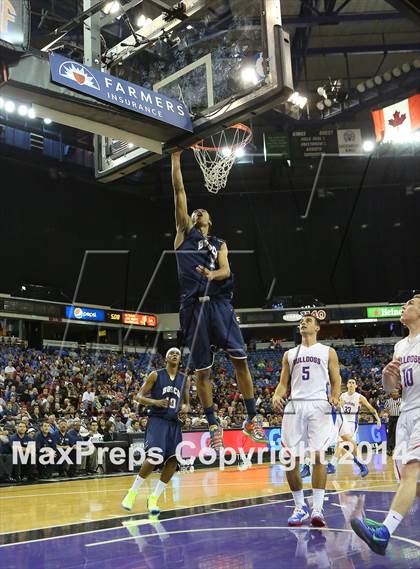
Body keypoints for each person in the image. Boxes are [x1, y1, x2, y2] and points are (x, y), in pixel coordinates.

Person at [170, 151, 266, 449]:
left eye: (203, 212)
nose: (198, 211)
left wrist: (214, 276)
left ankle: (252, 417)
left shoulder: (219, 243)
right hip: (192, 307)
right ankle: (213, 424)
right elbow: (179, 191)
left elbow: (226, 269)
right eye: (194, 211)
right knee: (202, 371)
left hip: (219, 304)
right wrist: (175, 158)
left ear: (210, 221)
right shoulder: (182, 235)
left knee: (240, 361)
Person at [351, 295, 420, 555]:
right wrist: (385, 377)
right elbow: (393, 391)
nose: (404, 307)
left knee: (412, 471)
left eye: (411, 304)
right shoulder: (401, 346)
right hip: (406, 414)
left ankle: (384, 533)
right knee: (410, 481)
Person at [272, 315, 340, 527]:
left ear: (317, 328)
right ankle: (300, 507)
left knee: (319, 456)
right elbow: (284, 383)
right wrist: (277, 394)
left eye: (308, 320)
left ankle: (317, 509)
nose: (303, 322)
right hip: (295, 404)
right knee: (291, 458)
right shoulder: (289, 354)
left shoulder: (328, 351)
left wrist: (335, 396)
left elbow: (336, 380)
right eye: (301, 321)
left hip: (319, 403)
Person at [121, 347, 190, 515]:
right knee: (154, 457)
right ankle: (132, 492)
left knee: (173, 462)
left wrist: (185, 408)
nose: (174, 355)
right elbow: (138, 397)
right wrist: (155, 402)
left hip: (174, 423)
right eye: (171, 353)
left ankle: (154, 498)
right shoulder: (156, 375)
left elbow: (187, 402)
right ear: (166, 359)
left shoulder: (185, 379)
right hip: (158, 421)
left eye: (177, 354)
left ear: (180, 359)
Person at [301, 378, 380, 478]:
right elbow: (339, 407)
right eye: (349, 383)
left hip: (352, 422)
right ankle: (360, 464)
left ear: (356, 386)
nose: (351, 384)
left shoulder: (359, 397)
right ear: (346, 385)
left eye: (353, 383)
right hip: (341, 420)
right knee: (340, 448)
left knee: (341, 444)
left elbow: (371, 408)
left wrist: (378, 419)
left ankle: (333, 465)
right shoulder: (343, 396)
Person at [384, 389, 401, 455]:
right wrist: (387, 412)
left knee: (395, 433)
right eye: (393, 392)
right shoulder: (388, 401)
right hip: (391, 418)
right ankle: (389, 449)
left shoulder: (402, 400)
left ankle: (394, 448)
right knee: (390, 433)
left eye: (396, 392)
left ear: (398, 393)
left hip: (399, 418)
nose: (394, 393)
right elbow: (385, 410)